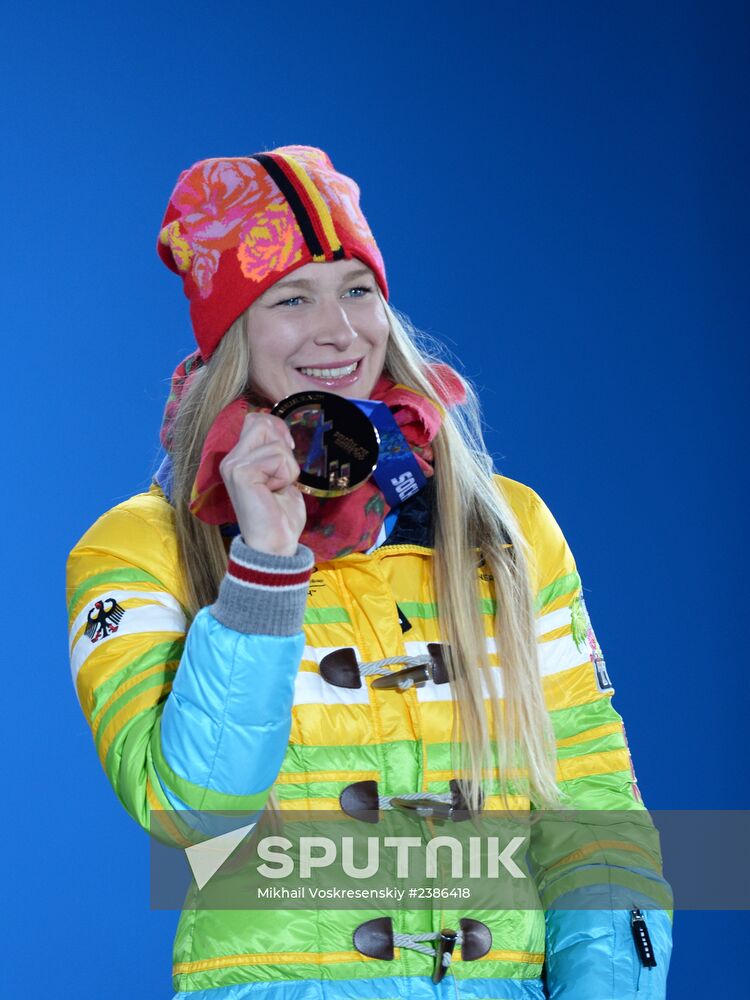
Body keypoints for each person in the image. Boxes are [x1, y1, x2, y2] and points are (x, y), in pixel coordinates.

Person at [66, 145, 673, 999]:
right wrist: (265, 568)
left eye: (357, 288)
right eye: (290, 298)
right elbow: (191, 809)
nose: (339, 331)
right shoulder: (139, 546)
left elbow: (592, 806)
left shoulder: (507, 527)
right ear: (231, 330)